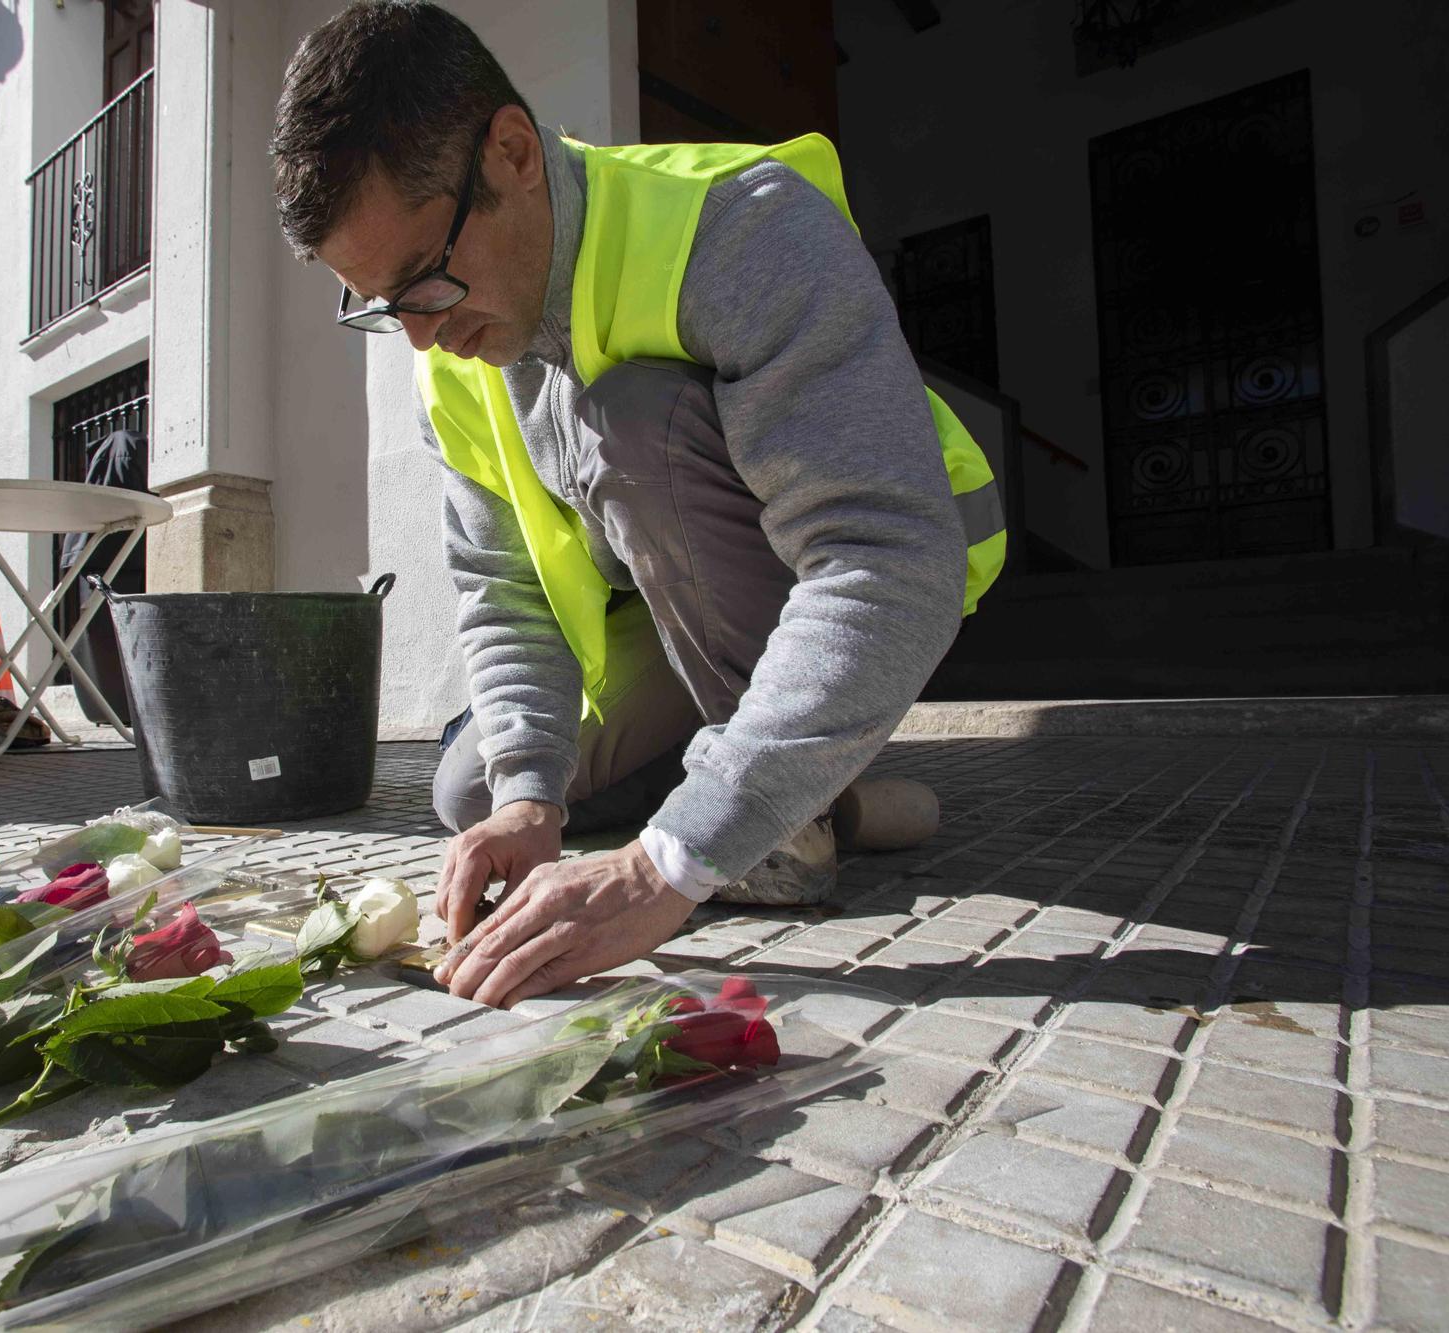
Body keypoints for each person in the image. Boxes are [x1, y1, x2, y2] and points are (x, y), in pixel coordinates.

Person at [270, 2, 1003, 1008]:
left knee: (633, 423)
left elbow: (882, 557)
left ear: (513, 152)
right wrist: (528, 796)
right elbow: (502, 585)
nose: (421, 340)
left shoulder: (742, 228)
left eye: (424, 283)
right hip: (671, 612)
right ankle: (824, 798)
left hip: (858, 578)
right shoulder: (449, 357)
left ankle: (780, 825)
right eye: (379, 307)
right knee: (470, 789)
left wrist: (664, 866)